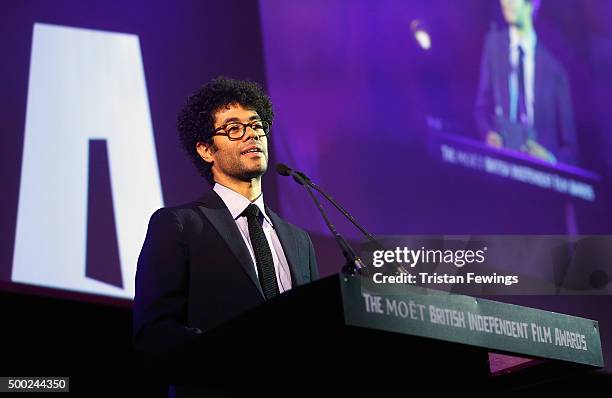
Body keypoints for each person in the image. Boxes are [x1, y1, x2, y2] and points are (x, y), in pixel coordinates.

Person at [133, 76, 319, 396]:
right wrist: (237, 356)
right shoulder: (179, 225)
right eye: (234, 128)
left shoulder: (299, 241)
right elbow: (154, 331)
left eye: (255, 124)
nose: (251, 135)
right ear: (206, 150)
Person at [475, 0, 579, 165]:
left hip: (538, 177)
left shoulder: (555, 70)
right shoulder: (493, 45)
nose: (506, 2)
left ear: (532, 4)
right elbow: (481, 109)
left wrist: (550, 160)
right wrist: (488, 134)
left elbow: (570, 147)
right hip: (500, 166)